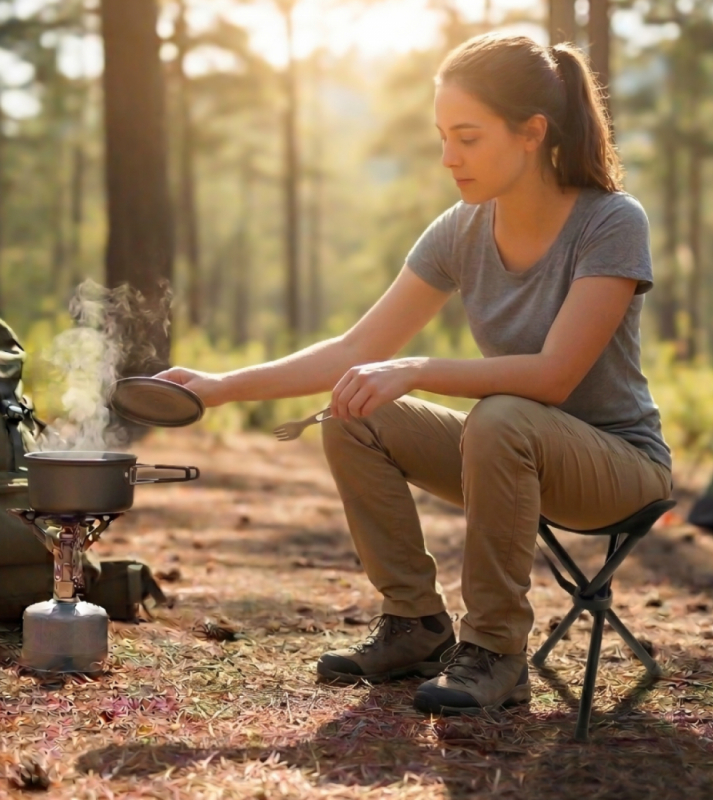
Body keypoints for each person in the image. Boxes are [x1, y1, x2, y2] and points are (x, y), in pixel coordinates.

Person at [157, 33, 672, 716]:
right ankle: (417, 626)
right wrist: (221, 387)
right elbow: (354, 348)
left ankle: (494, 651)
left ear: (531, 133)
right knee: (355, 405)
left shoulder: (610, 221)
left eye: (467, 137)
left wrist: (419, 368)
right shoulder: (461, 229)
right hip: (511, 449)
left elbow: (552, 378)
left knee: (502, 412)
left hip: (617, 466)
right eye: (441, 137)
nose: (448, 157)